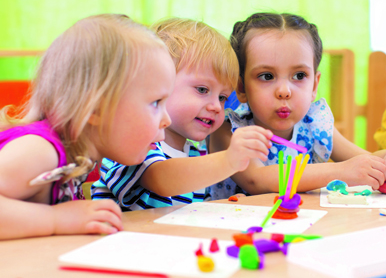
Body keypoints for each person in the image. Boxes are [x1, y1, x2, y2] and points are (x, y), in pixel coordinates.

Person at [0, 14, 176, 239]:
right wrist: (57, 219)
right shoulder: (40, 150)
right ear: (95, 109)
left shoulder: (82, 157)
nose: (167, 119)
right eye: (156, 103)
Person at [91, 17, 272, 210]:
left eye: (222, 97)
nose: (216, 107)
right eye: (202, 90)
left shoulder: (196, 154)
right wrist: (229, 159)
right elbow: (162, 180)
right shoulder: (134, 145)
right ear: (157, 84)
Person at [209, 12, 386, 199]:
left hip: (301, 225)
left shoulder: (316, 124)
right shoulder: (229, 130)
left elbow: (368, 160)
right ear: (241, 87)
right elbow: (257, 180)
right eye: (267, 76)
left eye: (299, 76)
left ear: (314, 85)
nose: (284, 91)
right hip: (237, 226)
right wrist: (340, 171)